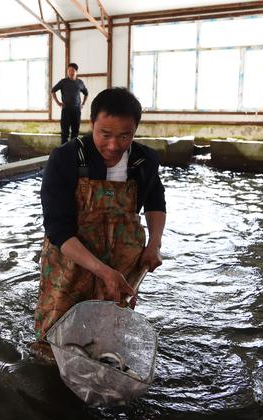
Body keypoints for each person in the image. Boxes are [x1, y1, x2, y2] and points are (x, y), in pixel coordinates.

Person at [31, 87, 167, 363]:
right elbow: (58, 229)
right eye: (105, 134)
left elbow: (156, 201)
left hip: (121, 261)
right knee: (55, 332)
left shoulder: (144, 161)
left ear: (135, 130)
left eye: (125, 136)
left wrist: (154, 245)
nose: (114, 146)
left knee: (108, 330)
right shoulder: (65, 159)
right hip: (70, 259)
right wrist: (101, 271)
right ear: (91, 123)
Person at [51, 63, 89, 144]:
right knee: (65, 132)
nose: (71, 72)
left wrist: (83, 104)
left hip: (76, 109)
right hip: (66, 109)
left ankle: (73, 150)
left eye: (73, 70)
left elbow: (86, 93)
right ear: (67, 72)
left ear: (76, 72)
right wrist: (58, 103)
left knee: (75, 131)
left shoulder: (80, 82)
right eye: (69, 70)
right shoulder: (63, 82)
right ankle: (64, 151)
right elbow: (53, 91)